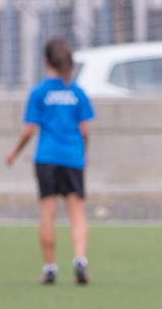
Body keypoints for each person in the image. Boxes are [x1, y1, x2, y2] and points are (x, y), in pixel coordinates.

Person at [7, 37, 96, 285]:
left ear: (45, 61)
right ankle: (79, 259)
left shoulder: (39, 92)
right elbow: (85, 130)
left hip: (46, 157)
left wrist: (14, 152)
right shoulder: (77, 92)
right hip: (72, 157)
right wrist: (84, 152)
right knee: (77, 212)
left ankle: (49, 268)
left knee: (48, 213)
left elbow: (29, 130)